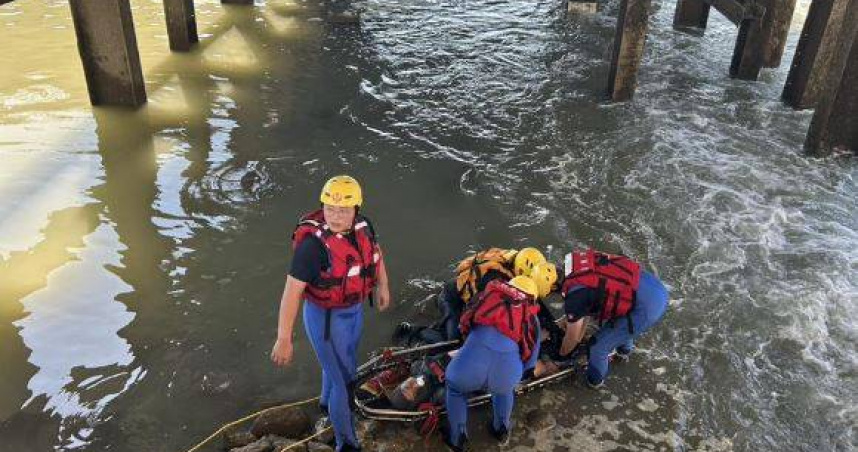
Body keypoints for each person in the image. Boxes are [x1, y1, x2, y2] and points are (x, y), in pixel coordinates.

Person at [270, 175, 391, 452]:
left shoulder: (364, 226)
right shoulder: (312, 247)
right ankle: (346, 443)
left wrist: (383, 285)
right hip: (325, 321)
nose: (335, 216)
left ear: (356, 210)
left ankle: (326, 403)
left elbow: (376, 253)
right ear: (323, 206)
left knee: (345, 362)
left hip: (353, 313)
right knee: (346, 383)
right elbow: (291, 292)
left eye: (343, 210)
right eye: (330, 209)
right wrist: (284, 338)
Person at [443, 276, 542, 451]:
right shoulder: (532, 319)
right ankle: (501, 429)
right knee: (505, 390)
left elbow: (464, 325)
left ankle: (457, 438)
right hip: (505, 376)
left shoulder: (485, 297)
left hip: (470, 368)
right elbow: (529, 365)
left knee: (455, 389)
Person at [558, 249, 668, 388]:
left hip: (647, 308)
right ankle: (623, 353)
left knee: (597, 347)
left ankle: (594, 383)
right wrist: (571, 320)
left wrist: (560, 357)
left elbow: (572, 339)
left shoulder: (574, 299)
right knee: (622, 310)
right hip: (649, 283)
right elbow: (587, 301)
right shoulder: (574, 260)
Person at [397, 247, 548, 345]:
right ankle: (411, 331)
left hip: (466, 292)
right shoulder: (495, 280)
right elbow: (477, 311)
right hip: (451, 299)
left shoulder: (511, 261)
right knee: (454, 342)